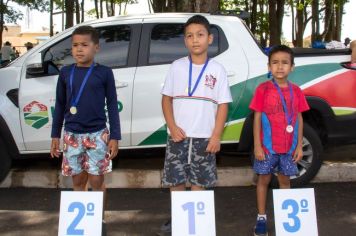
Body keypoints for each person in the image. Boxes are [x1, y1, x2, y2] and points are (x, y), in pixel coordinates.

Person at [158, 15, 232, 235]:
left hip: (204, 139)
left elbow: (223, 105)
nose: (195, 40)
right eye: (189, 36)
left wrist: (216, 135)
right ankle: (179, 221)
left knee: (200, 183)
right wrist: (172, 127)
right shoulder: (176, 67)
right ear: (185, 41)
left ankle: (197, 226)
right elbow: (166, 99)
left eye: (200, 35)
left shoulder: (217, 70)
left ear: (209, 39)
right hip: (178, 137)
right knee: (176, 180)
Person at [50, 25, 120, 235]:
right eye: (75, 45)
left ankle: (98, 220)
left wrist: (115, 136)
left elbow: (113, 105)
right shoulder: (65, 72)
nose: (79, 49)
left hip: (98, 135)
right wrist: (55, 135)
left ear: (96, 47)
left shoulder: (104, 73)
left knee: (97, 181)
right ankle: (82, 226)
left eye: (84, 45)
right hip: (72, 136)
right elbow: (60, 105)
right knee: (78, 180)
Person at [249, 45, 310, 236]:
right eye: (275, 62)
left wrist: (299, 144)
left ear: (292, 67)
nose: (280, 67)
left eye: (285, 63)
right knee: (263, 180)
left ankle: (286, 221)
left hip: (288, 148)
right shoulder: (263, 89)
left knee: (284, 180)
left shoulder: (297, 91)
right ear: (269, 66)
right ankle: (261, 217)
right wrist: (258, 146)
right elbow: (257, 117)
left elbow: (299, 118)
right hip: (267, 148)